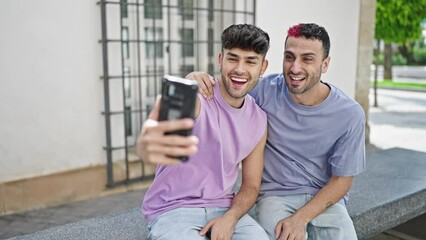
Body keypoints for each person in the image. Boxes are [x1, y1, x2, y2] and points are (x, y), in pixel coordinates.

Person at [186, 23, 366, 240]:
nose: (295, 68)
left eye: (307, 59)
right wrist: (193, 78)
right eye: (289, 57)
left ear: (325, 64)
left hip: (324, 199)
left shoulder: (350, 114)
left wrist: (301, 218)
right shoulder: (264, 91)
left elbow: (342, 181)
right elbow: (230, 88)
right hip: (275, 196)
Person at [136, 24, 270, 240]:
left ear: (263, 67)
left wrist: (230, 218)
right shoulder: (196, 98)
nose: (240, 69)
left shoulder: (259, 120)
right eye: (233, 58)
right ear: (220, 59)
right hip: (173, 209)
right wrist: (145, 145)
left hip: (225, 208)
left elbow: (251, 185)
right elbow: (154, 143)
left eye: (250, 61)